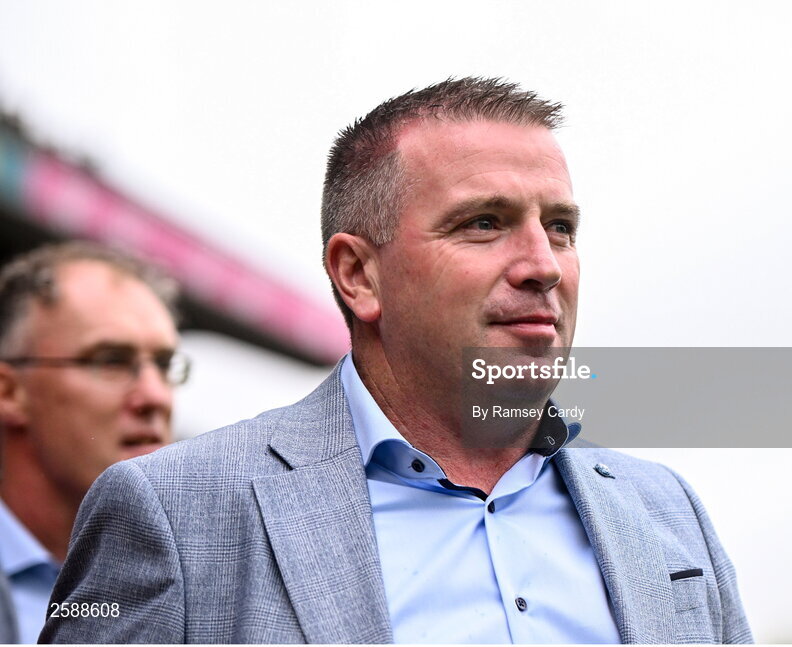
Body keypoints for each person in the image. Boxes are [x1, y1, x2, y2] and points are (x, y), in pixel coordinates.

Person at [41, 78, 752, 644]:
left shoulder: (666, 509)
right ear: (358, 274)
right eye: (485, 222)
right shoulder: (169, 510)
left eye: (559, 228)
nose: (543, 264)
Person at [0, 242, 186, 643]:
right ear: (9, 392)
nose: (156, 396)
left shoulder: (207, 582)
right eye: (111, 360)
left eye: (165, 365)